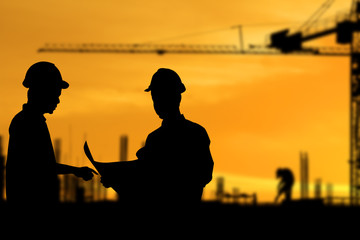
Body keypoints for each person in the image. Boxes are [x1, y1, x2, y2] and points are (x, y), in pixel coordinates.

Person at [101, 68, 214, 208]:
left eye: (160, 96)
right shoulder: (161, 137)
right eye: (155, 97)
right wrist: (117, 179)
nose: (157, 102)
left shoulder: (192, 134)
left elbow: (203, 174)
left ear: (176, 97)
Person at [6, 61, 97, 205]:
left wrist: (76, 171)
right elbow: (39, 167)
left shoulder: (32, 121)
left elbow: (42, 165)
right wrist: (75, 170)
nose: (58, 100)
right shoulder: (28, 123)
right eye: (55, 94)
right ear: (42, 91)